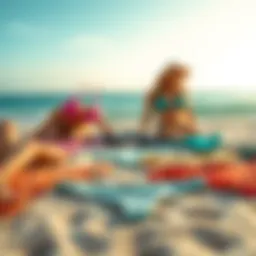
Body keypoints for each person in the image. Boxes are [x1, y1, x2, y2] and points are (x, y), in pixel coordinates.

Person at [140, 62, 197, 139]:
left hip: (183, 129)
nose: (182, 81)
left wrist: (193, 128)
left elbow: (188, 113)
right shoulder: (157, 93)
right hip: (164, 131)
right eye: (179, 77)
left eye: (183, 78)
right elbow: (149, 114)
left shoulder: (180, 93)